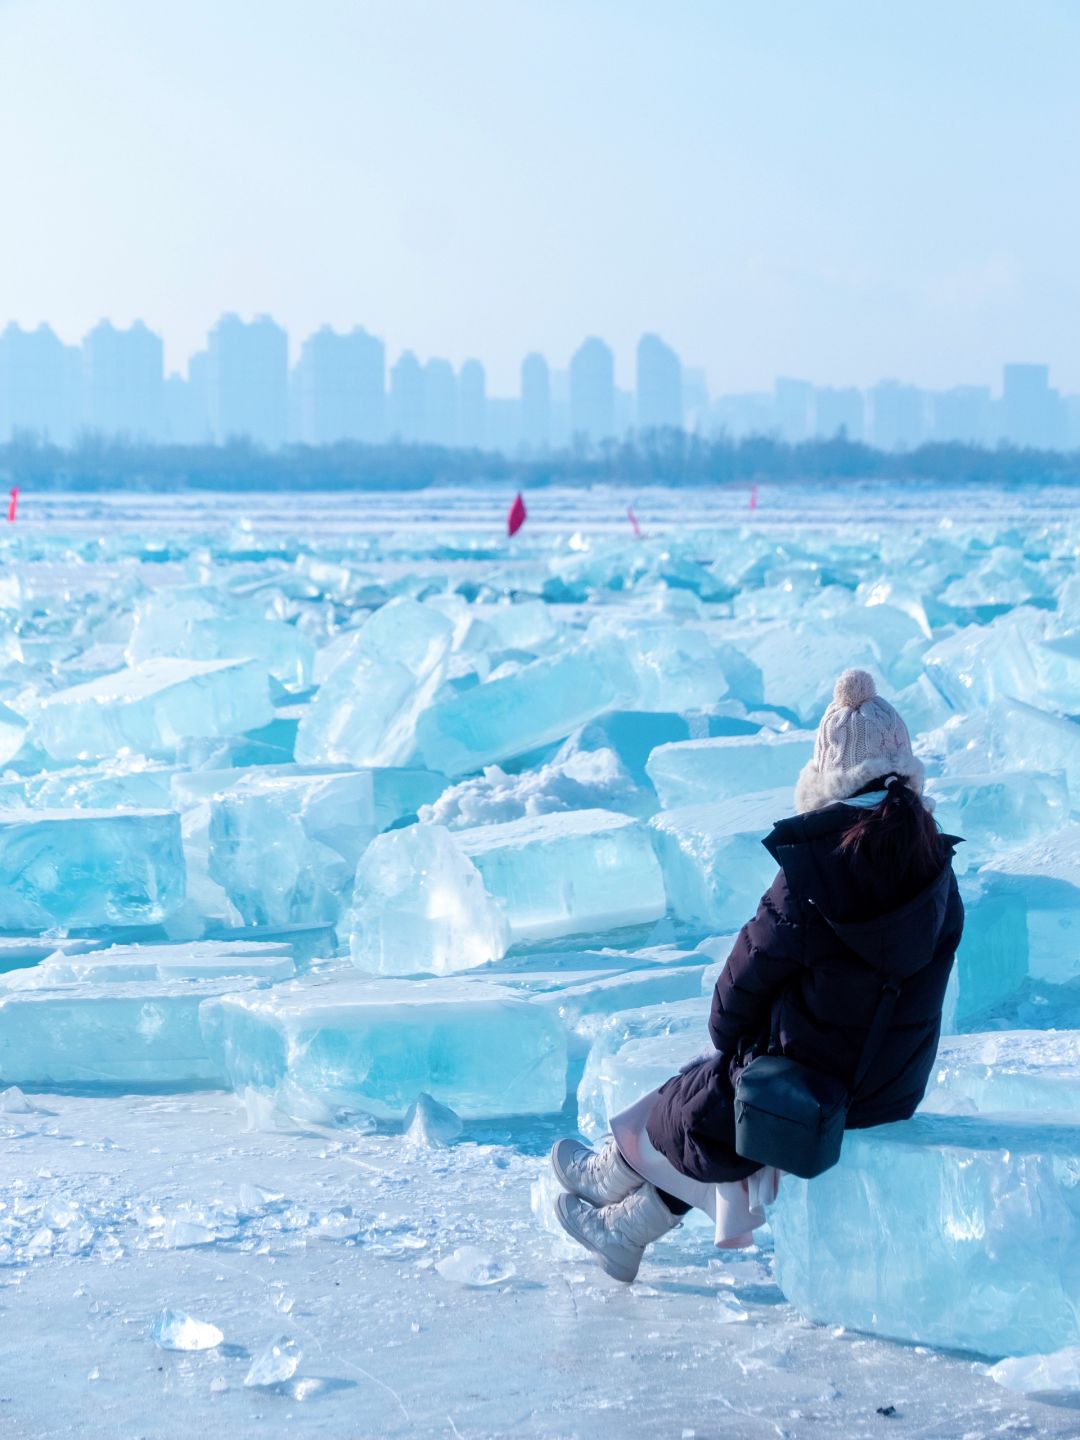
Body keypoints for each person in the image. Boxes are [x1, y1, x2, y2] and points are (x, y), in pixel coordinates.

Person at [550, 668, 964, 1283]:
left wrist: (742, 1043)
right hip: (891, 1089)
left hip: (822, 1090)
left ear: (830, 776)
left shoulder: (813, 871)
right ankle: (621, 1210)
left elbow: (731, 1001)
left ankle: (615, 1186)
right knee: (725, 1095)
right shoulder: (938, 867)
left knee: (710, 1088)